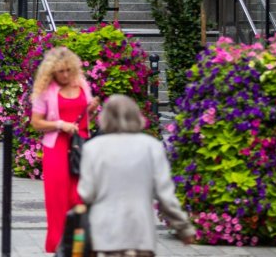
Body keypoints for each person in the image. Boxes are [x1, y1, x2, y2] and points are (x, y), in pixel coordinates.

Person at [78, 95, 196, 255]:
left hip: (105, 232)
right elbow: (165, 195)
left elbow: (86, 193)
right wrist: (184, 228)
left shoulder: (92, 148)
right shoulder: (151, 146)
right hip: (140, 233)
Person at [30, 47, 99, 253]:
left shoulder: (82, 85)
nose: (66, 75)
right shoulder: (46, 90)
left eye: (69, 70)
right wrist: (60, 124)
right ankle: (59, 247)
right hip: (57, 148)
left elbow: (86, 121)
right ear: (52, 71)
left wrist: (92, 111)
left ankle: (79, 248)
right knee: (58, 201)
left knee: (79, 199)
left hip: (81, 145)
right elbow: (36, 123)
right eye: (61, 71)